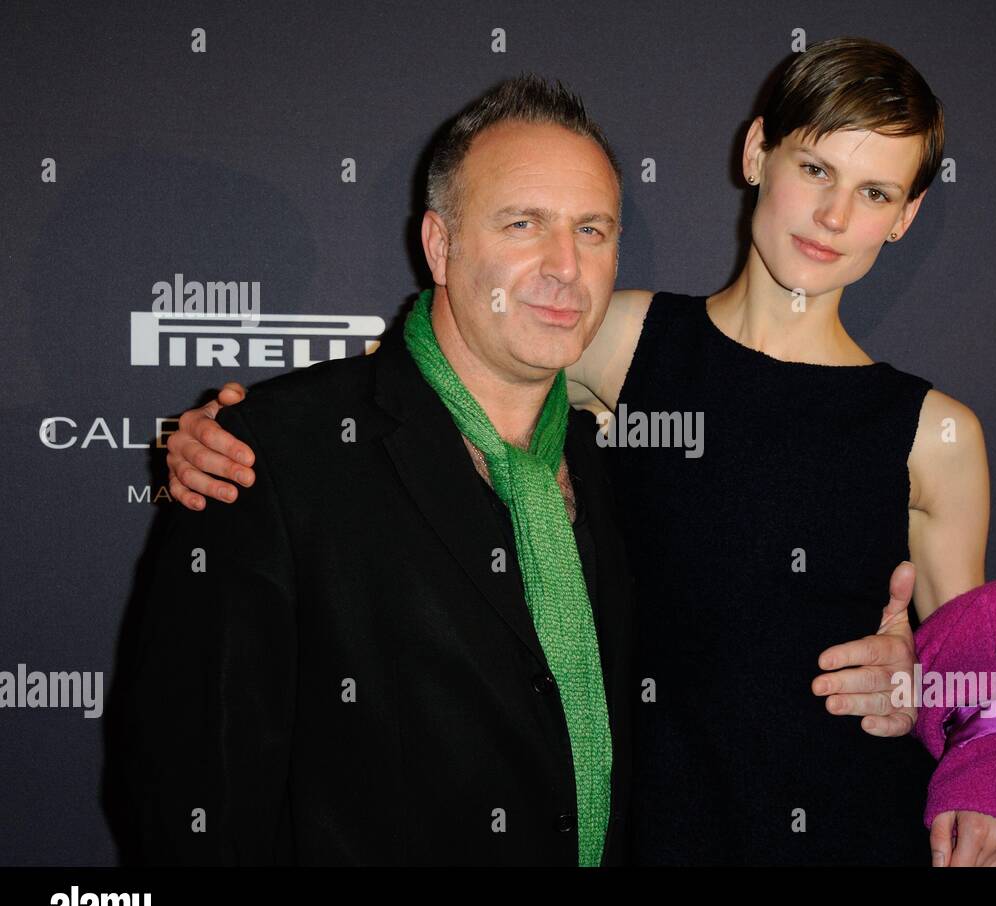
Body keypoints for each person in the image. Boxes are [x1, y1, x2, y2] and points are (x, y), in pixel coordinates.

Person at [164, 39, 996, 865]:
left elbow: (984, 691)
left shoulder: (936, 431)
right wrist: (232, 433)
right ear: (757, 152)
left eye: (877, 193)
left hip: (847, 827)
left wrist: (921, 688)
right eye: (816, 170)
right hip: (649, 829)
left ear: (908, 216)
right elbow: (418, 379)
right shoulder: (620, 336)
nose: (836, 217)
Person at [119, 76, 639, 865]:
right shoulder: (268, 456)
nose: (565, 265)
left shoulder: (613, 474)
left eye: (593, 230)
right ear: (440, 244)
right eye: (523, 223)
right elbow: (192, 797)